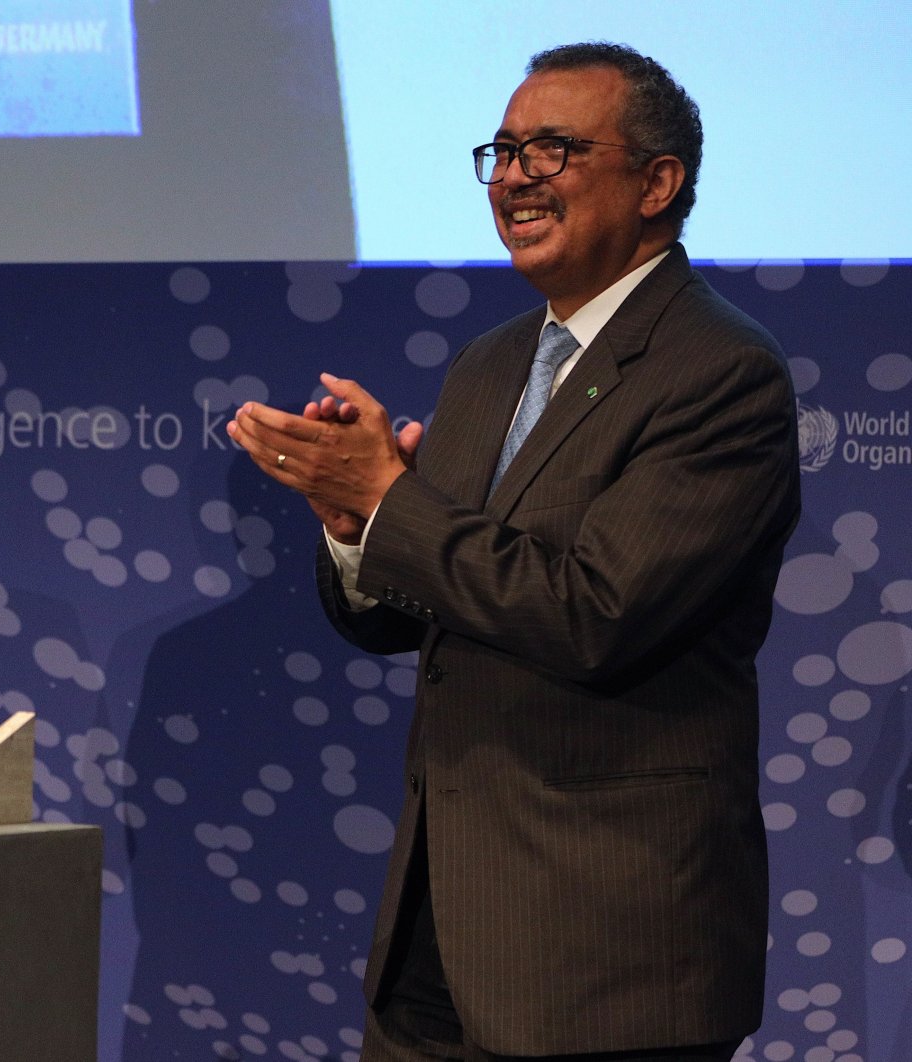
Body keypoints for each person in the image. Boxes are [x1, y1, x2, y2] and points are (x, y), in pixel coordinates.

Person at [229, 43, 800, 1060]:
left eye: (554, 149)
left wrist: (392, 498)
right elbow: (416, 613)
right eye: (500, 150)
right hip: (439, 934)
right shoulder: (490, 364)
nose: (513, 175)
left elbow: (595, 615)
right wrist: (357, 527)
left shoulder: (719, 372)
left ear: (657, 183)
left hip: (606, 955)